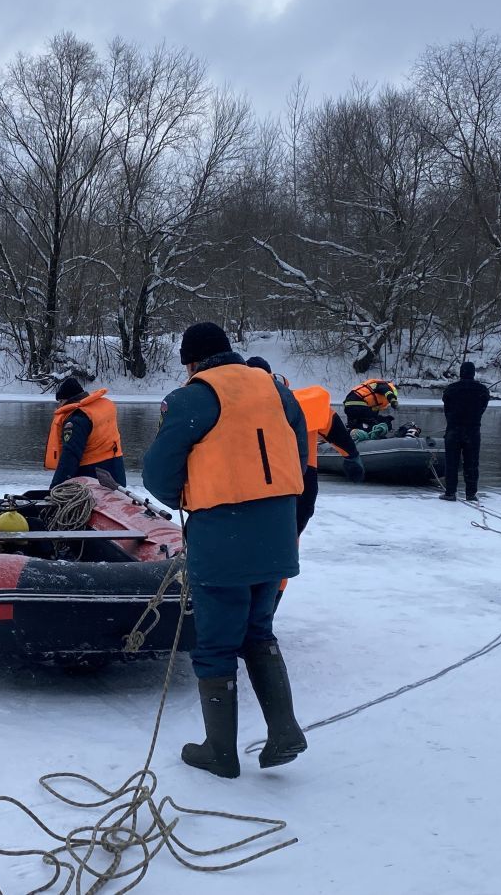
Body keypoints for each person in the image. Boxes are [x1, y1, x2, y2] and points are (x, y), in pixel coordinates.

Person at [144, 322, 308, 779]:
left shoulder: (192, 398)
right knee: (258, 630)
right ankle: (285, 730)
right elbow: (296, 451)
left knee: (216, 641)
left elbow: (158, 474)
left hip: (222, 535)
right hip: (277, 531)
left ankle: (220, 751)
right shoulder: (276, 390)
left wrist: (188, 493)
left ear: (192, 363)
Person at [247, 356, 363, 535]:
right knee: (287, 542)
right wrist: (351, 456)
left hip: (253, 485)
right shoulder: (304, 402)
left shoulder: (231, 405)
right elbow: (334, 428)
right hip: (301, 482)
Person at [45, 378, 126, 488]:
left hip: (92, 474)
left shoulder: (76, 420)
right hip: (115, 468)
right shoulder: (98, 408)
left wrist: (56, 487)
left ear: (67, 400)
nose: (59, 406)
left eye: (60, 401)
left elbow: (70, 456)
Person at [440, 361, 490, 503]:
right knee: (472, 463)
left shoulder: (451, 389)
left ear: (461, 372)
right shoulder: (482, 390)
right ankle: (471, 493)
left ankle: (450, 492)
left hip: (453, 430)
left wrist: (452, 419)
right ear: (473, 373)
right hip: (473, 430)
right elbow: (483, 407)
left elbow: (447, 407)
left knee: (452, 463)